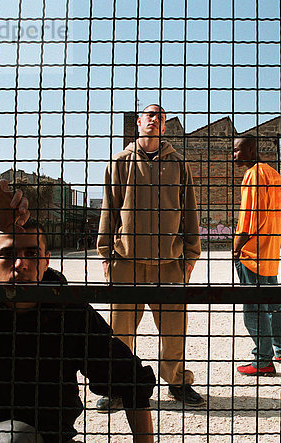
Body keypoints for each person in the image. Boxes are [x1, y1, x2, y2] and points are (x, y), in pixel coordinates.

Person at [0, 180, 156, 442]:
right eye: (8, 254)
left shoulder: (68, 313)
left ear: (46, 261)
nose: (21, 264)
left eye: (32, 254)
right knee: (14, 437)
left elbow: (130, 377)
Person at [97, 104, 204, 407]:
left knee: (174, 330)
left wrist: (191, 255)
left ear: (165, 126)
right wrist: (106, 255)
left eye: (161, 116)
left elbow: (189, 213)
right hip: (126, 262)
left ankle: (177, 383)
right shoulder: (119, 163)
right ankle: (119, 386)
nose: (155, 119)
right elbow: (109, 211)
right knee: (121, 332)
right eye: (150, 115)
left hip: (169, 264)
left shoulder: (179, 165)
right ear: (139, 122)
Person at [233, 136, 281, 376]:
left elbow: (251, 213)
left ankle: (263, 361)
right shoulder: (274, 174)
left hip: (252, 251)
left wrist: (238, 244)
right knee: (273, 305)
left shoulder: (253, 174)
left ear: (250, 148)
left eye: (237, 150)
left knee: (254, 307)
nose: (234, 156)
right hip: (270, 252)